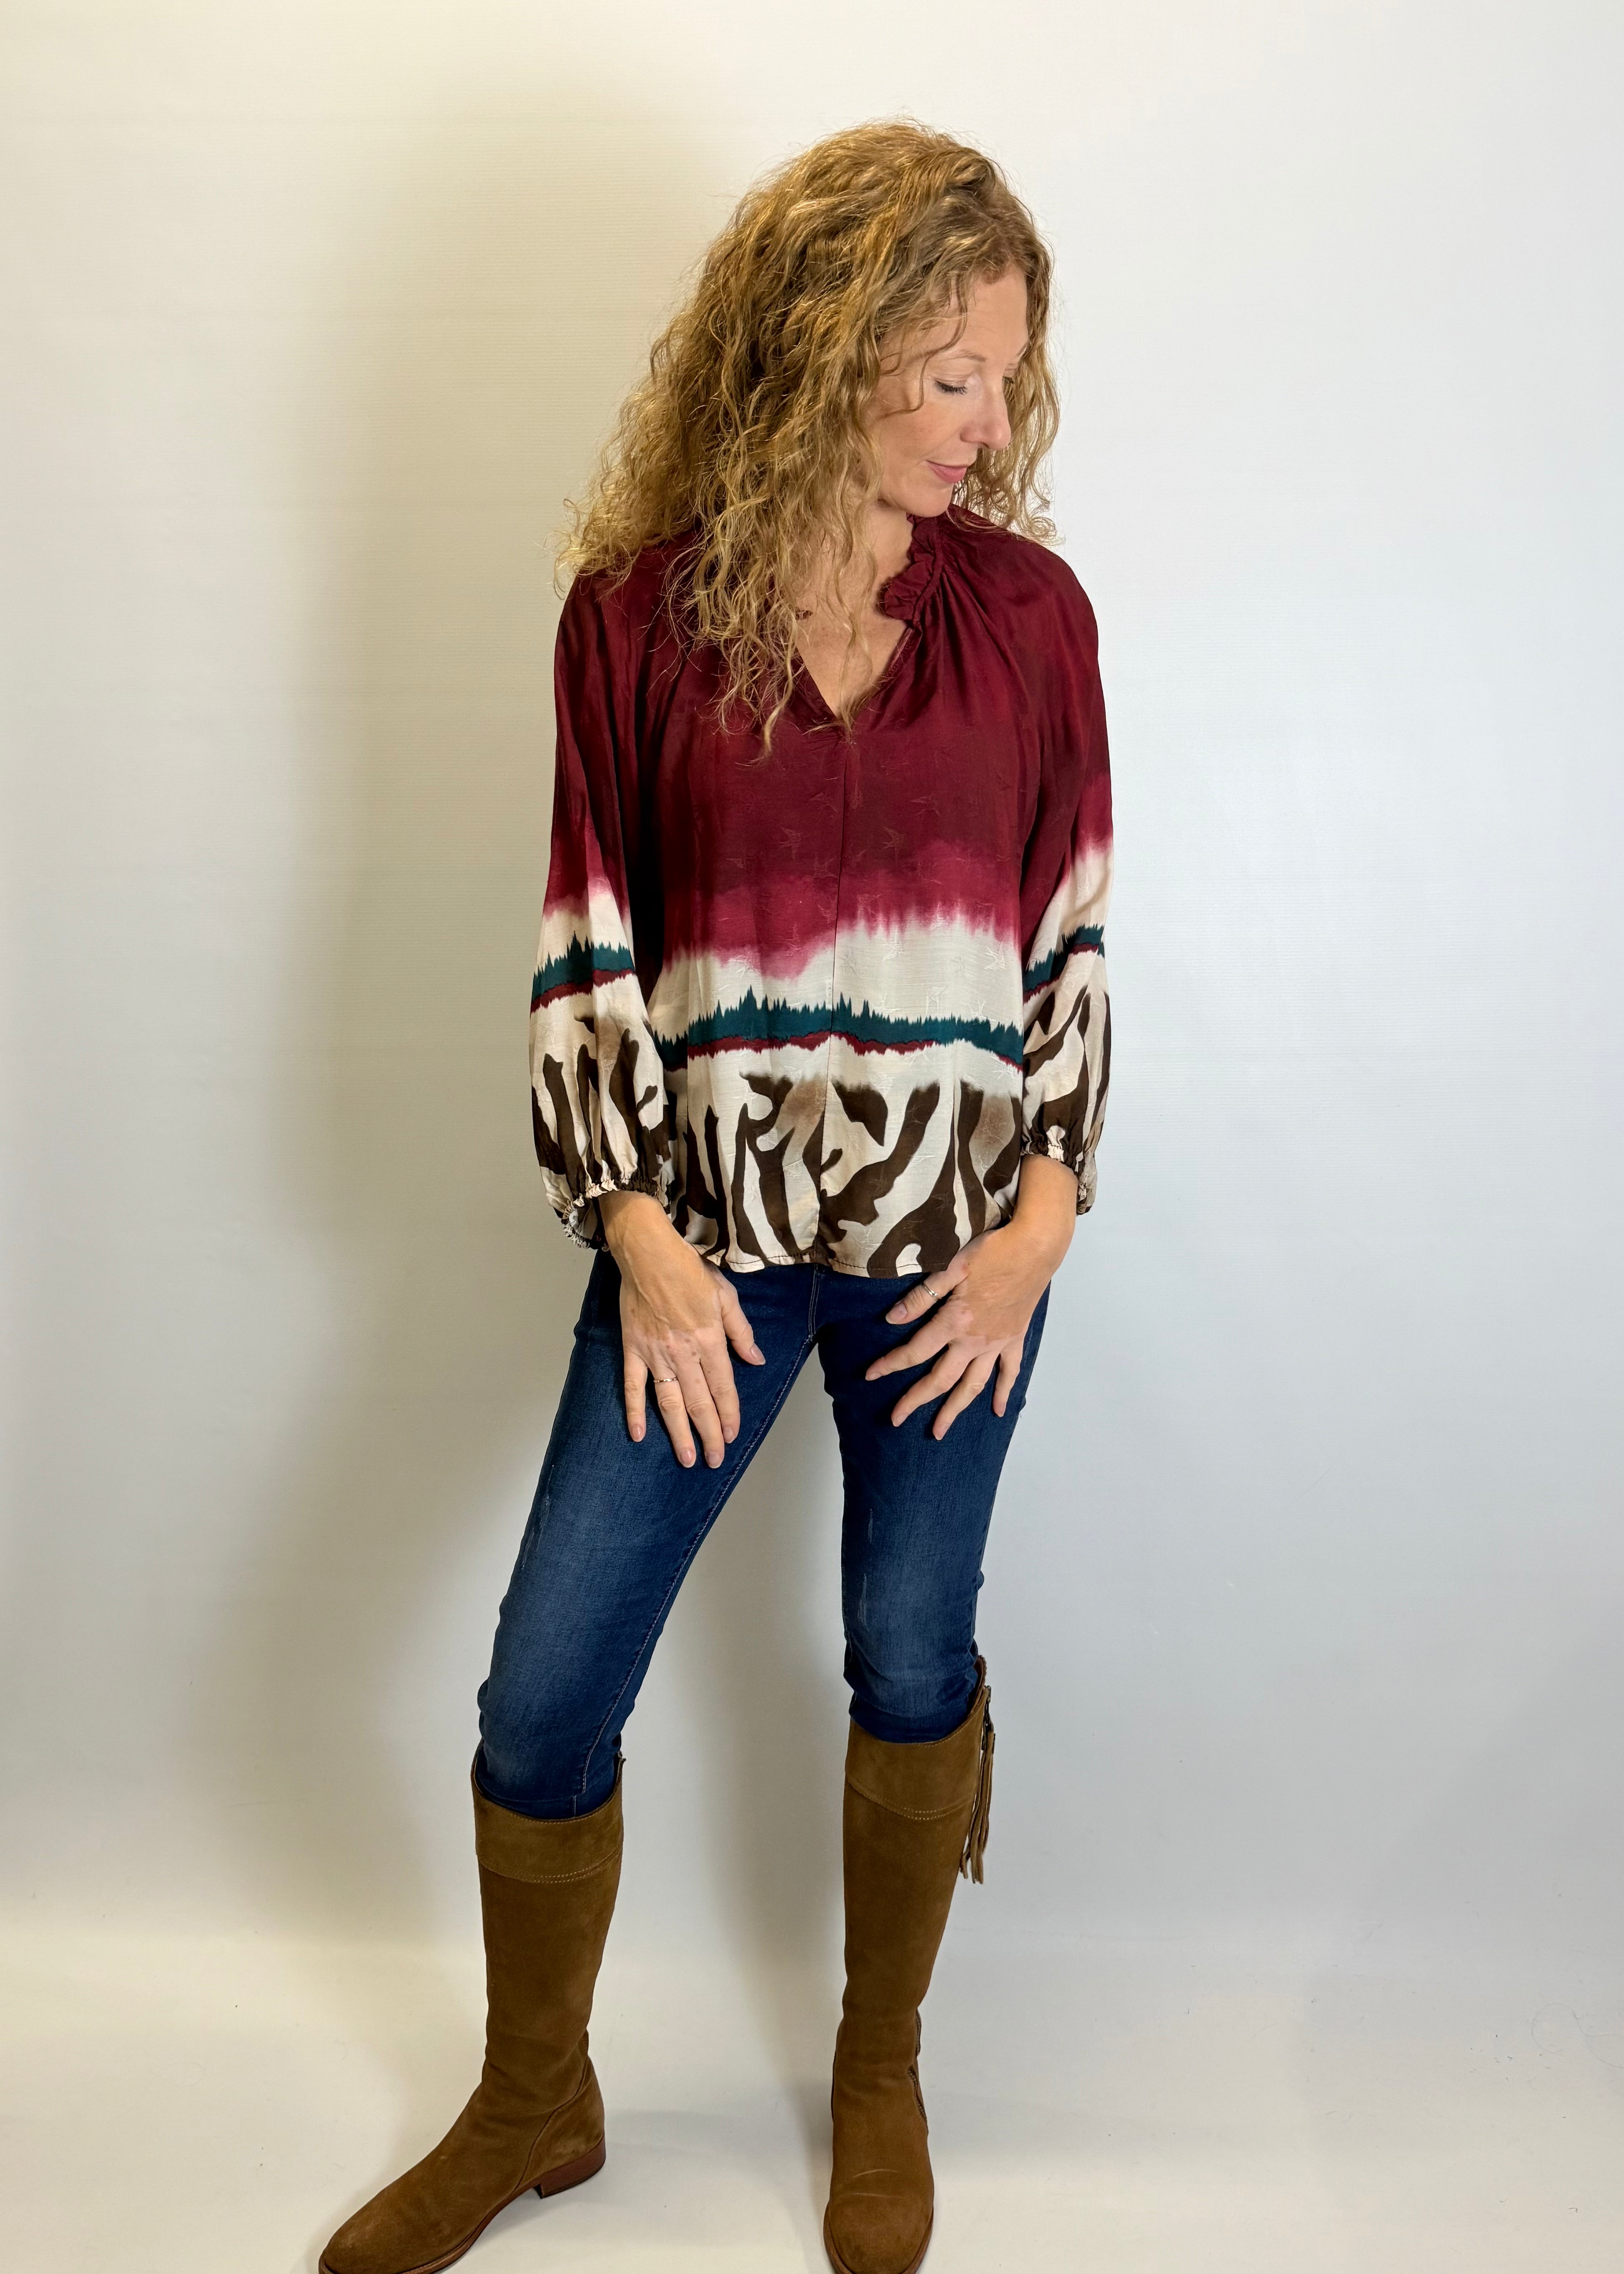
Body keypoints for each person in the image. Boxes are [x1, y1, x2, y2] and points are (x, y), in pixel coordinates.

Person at [320, 117, 1112, 2274]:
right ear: (823, 343)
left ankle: (877, 2074)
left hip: (957, 1266)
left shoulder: (1031, 622)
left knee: (902, 1652)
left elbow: (1069, 950)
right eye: (944, 369)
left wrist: (1040, 1228)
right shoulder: (632, 625)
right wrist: (645, 1247)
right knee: (545, 1684)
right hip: (710, 1260)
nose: (985, 422)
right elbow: (586, 946)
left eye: (1004, 377)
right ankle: (533, 2097)